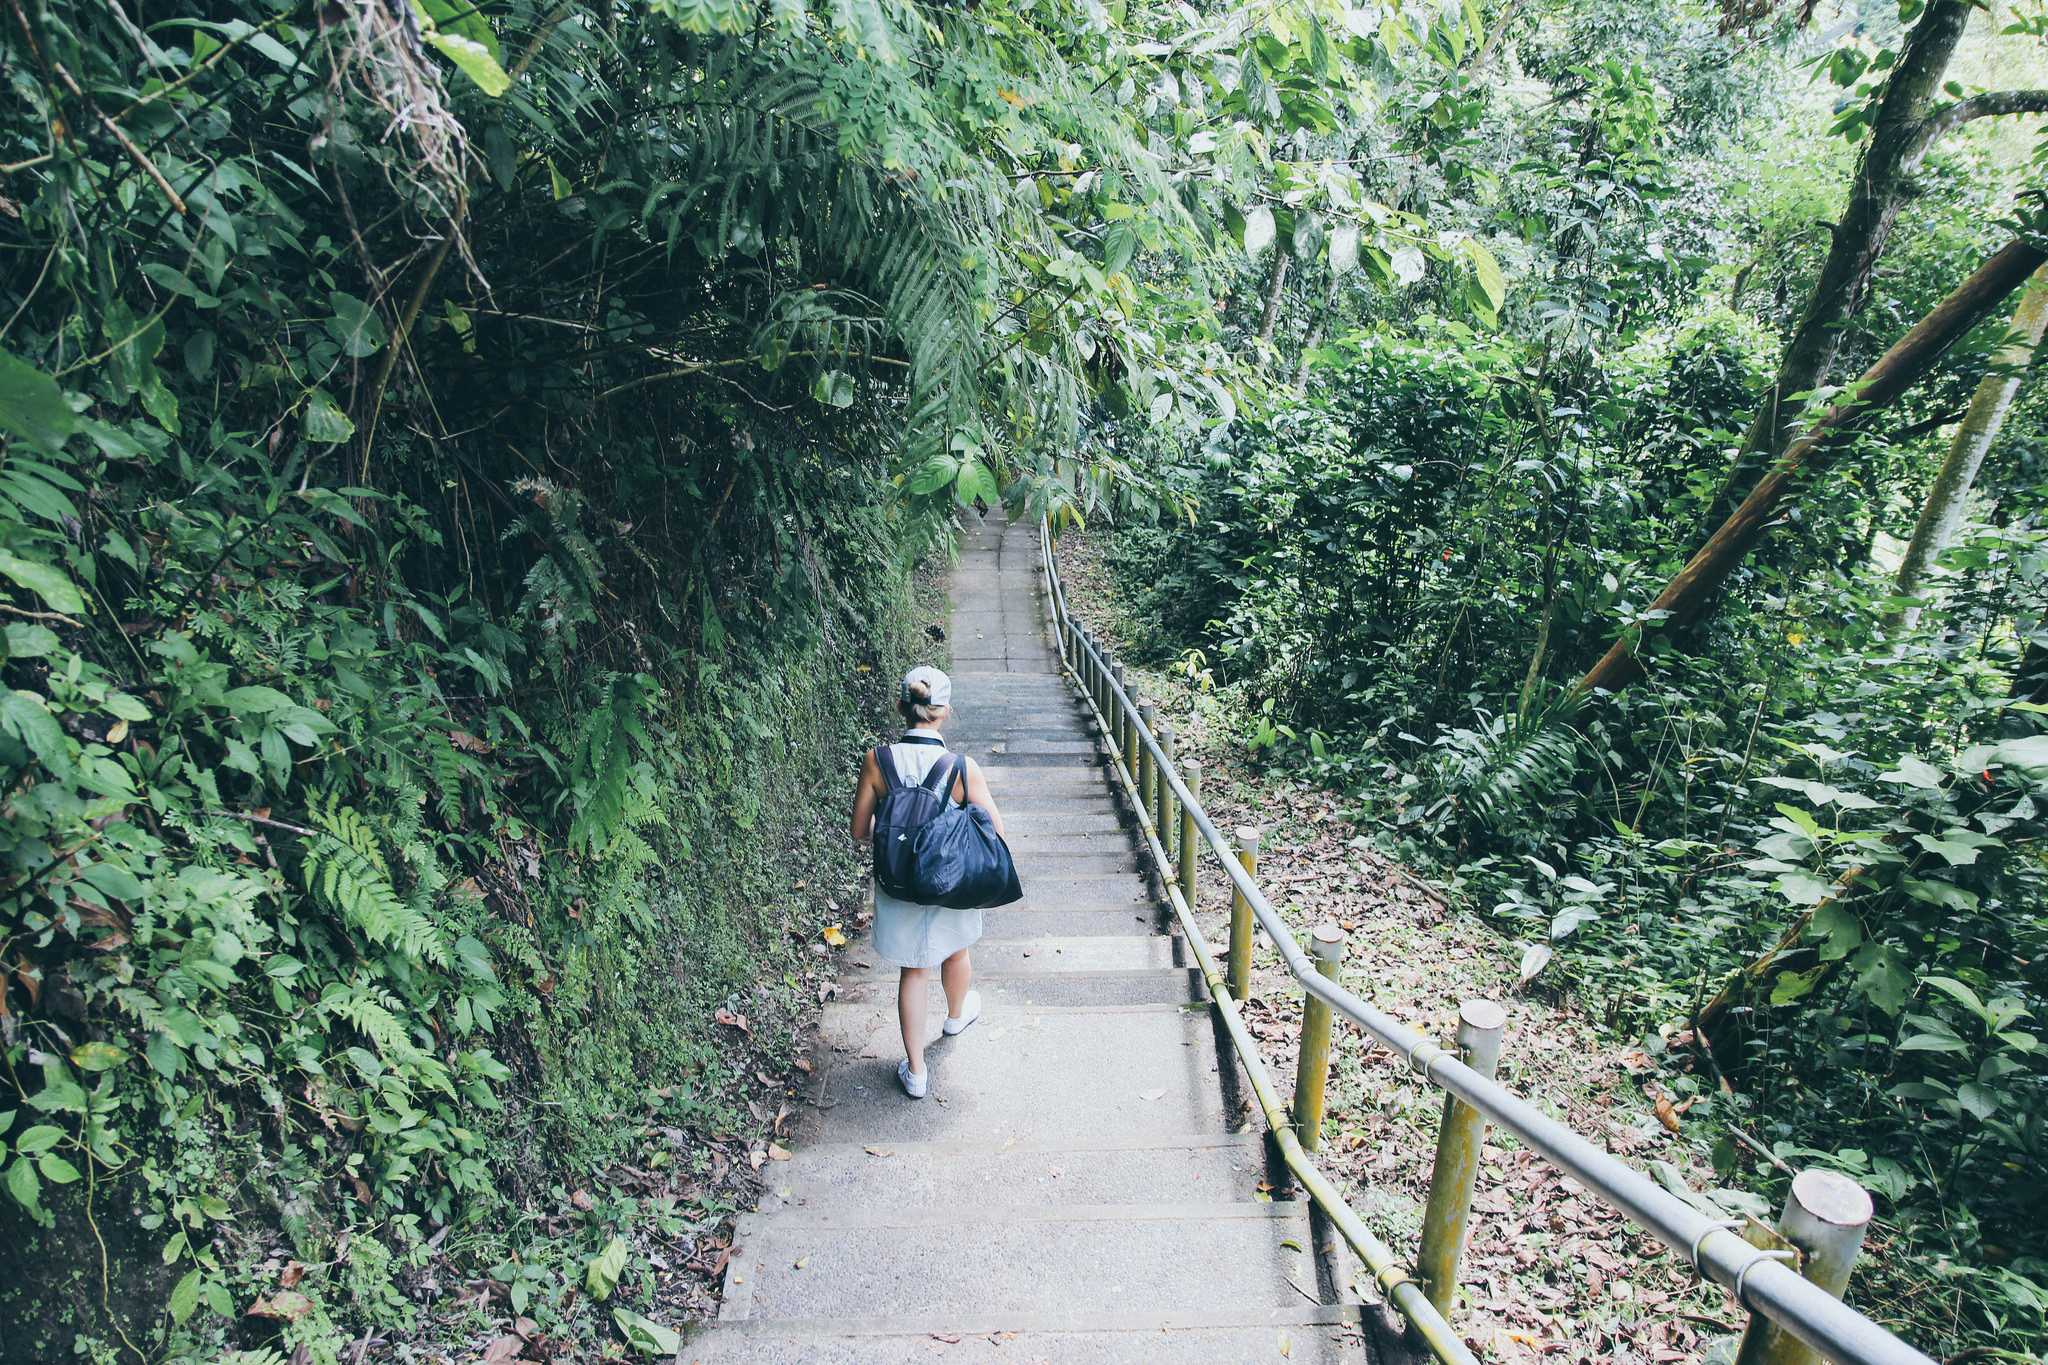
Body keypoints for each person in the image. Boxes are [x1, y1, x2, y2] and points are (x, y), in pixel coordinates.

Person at [849, 665, 1007, 1098]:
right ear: (945, 713)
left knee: (913, 971)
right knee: (955, 950)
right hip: (949, 880)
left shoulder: (877, 761)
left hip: (897, 880)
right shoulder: (961, 767)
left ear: (902, 707)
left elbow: (860, 829)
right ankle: (956, 1015)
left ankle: (916, 1071)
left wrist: (901, 821)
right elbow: (995, 828)